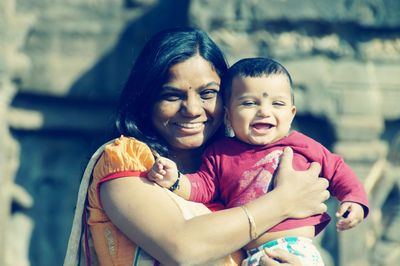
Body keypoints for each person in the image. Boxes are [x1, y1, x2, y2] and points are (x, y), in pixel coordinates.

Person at [64, 28, 330, 266]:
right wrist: (283, 201)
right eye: (172, 95)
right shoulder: (127, 161)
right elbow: (182, 248)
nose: (191, 109)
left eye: (207, 94)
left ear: (228, 101)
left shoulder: (233, 173)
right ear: (145, 101)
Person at [148, 57, 369, 266]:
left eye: (277, 103)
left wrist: (354, 199)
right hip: (249, 254)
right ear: (228, 115)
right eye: (249, 103)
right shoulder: (220, 154)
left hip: (297, 249)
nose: (264, 111)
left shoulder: (302, 145)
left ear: (292, 114)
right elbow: (203, 186)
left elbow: (338, 169)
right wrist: (175, 179)